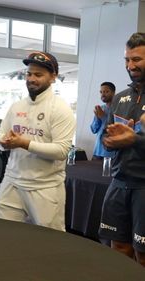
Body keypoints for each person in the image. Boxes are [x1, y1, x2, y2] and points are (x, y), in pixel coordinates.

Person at [0, 51, 75, 231]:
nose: (31, 79)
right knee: (3, 236)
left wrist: (24, 143)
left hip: (45, 186)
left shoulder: (60, 108)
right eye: (29, 74)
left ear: (53, 77)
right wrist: (3, 141)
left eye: (38, 75)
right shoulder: (17, 106)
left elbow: (62, 151)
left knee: (50, 245)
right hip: (12, 180)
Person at [99, 32, 145, 266]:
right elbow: (108, 137)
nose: (130, 65)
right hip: (118, 183)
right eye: (127, 60)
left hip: (143, 187)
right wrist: (112, 140)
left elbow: (132, 140)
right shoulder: (120, 98)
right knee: (117, 248)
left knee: (142, 255)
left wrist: (134, 140)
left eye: (136, 59)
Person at [90, 81, 116, 160]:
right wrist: (97, 117)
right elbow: (93, 130)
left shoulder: (119, 108)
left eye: (106, 92)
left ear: (113, 93)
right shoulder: (101, 108)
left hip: (111, 154)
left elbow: (114, 130)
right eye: (101, 92)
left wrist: (103, 117)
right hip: (97, 152)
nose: (103, 94)